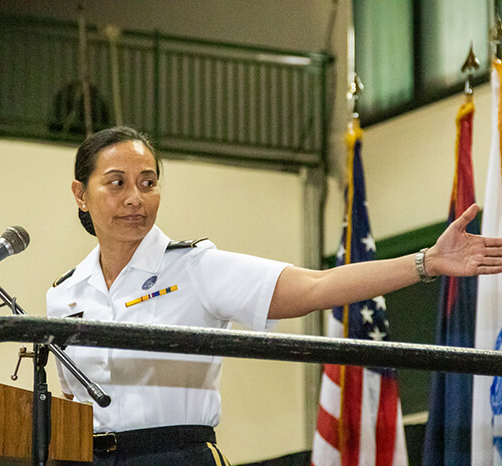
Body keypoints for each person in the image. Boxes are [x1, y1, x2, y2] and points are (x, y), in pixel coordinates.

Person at [46, 126, 502, 465]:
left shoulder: (195, 267)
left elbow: (316, 286)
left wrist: (425, 262)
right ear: (80, 195)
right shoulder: (64, 294)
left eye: (147, 182)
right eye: (116, 182)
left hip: (176, 455)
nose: (135, 198)